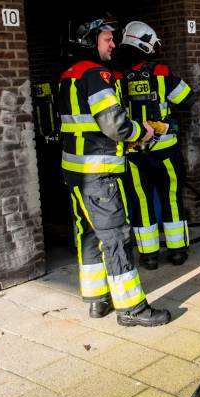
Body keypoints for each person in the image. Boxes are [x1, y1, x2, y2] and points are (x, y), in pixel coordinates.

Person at [57, 18, 170, 327]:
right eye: (107, 39)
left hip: (75, 172)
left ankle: (97, 300)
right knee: (116, 238)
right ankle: (132, 308)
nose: (113, 45)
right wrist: (141, 132)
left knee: (89, 234)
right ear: (92, 42)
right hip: (99, 173)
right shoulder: (97, 74)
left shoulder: (69, 74)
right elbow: (114, 123)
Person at [116, 21, 195, 270]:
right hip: (166, 151)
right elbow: (187, 98)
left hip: (134, 152)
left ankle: (148, 256)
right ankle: (177, 251)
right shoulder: (161, 72)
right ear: (146, 43)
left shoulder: (116, 76)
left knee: (141, 201)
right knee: (171, 197)